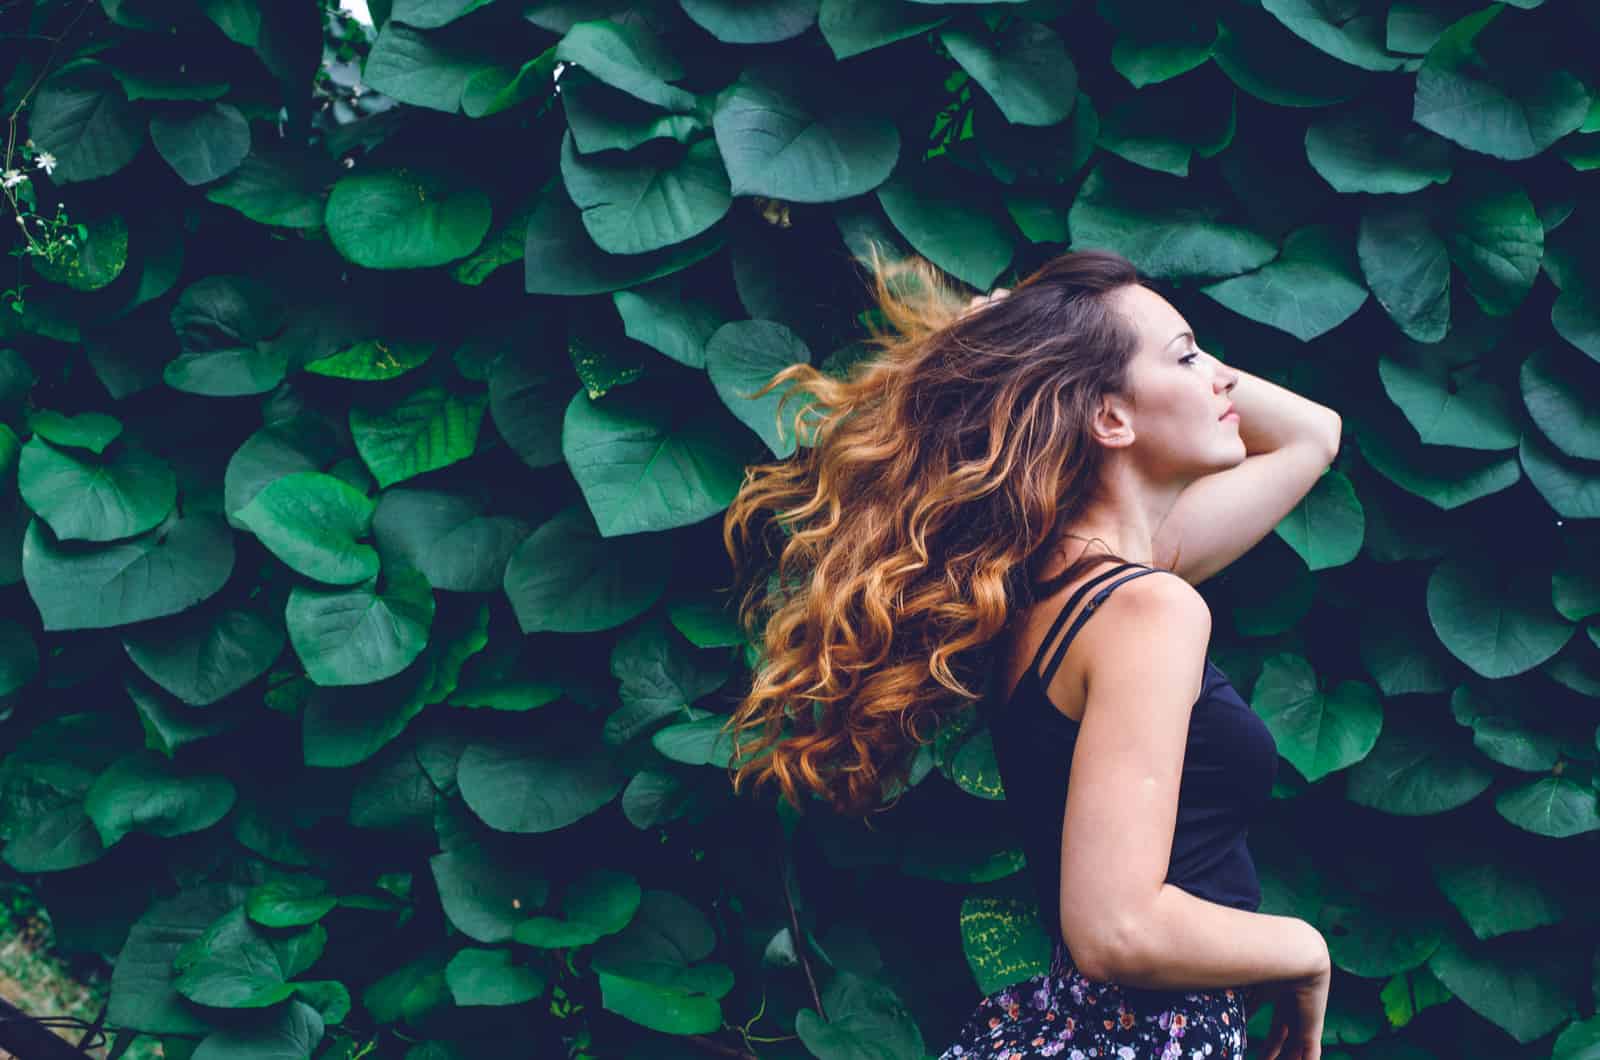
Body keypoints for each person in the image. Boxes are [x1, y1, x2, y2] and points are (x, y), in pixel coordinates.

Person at [718, 247, 1339, 1060]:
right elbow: (1117, 929)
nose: (1222, 377)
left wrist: (1057, 328)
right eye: (1189, 356)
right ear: (1109, 419)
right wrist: (1304, 951)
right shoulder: (1145, 606)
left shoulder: (1068, 589)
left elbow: (1312, 435)